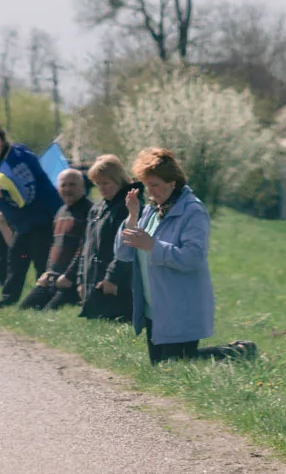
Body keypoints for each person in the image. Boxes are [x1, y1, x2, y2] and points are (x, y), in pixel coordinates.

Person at [116, 147, 254, 363]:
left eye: (155, 185)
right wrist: (132, 216)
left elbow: (192, 258)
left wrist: (152, 245)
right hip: (155, 309)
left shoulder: (193, 211)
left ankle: (238, 352)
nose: (150, 193)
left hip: (180, 308)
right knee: (163, 369)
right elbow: (123, 253)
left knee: (177, 364)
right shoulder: (151, 211)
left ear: (172, 182)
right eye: (147, 186)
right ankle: (236, 352)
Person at [0, 117, 62, 312]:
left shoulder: (17, 159)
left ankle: (47, 304)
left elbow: (27, 195)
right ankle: (6, 302)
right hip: (24, 223)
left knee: (41, 261)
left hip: (41, 218)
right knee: (16, 259)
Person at [21, 168, 90, 310]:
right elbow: (55, 246)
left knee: (48, 313)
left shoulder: (90, 211)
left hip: (72, 281)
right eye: (63, 185)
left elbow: (84, 249)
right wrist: (47, 272)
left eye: (72, 184)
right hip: (53, 277)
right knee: (25, 309)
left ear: (83, 187)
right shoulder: (61, 211)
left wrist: (69, 276)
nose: (67, 189)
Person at [76, 154, 133, 321]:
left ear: (119, 180)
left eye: (106, 183)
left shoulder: (128, 207)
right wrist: (81, 278)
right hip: (93, 280)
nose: (102, 188)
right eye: (98, 184)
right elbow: (87, 245)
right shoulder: (97, 208)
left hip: (118, 283)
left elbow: (127, 246)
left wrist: (112, 278)